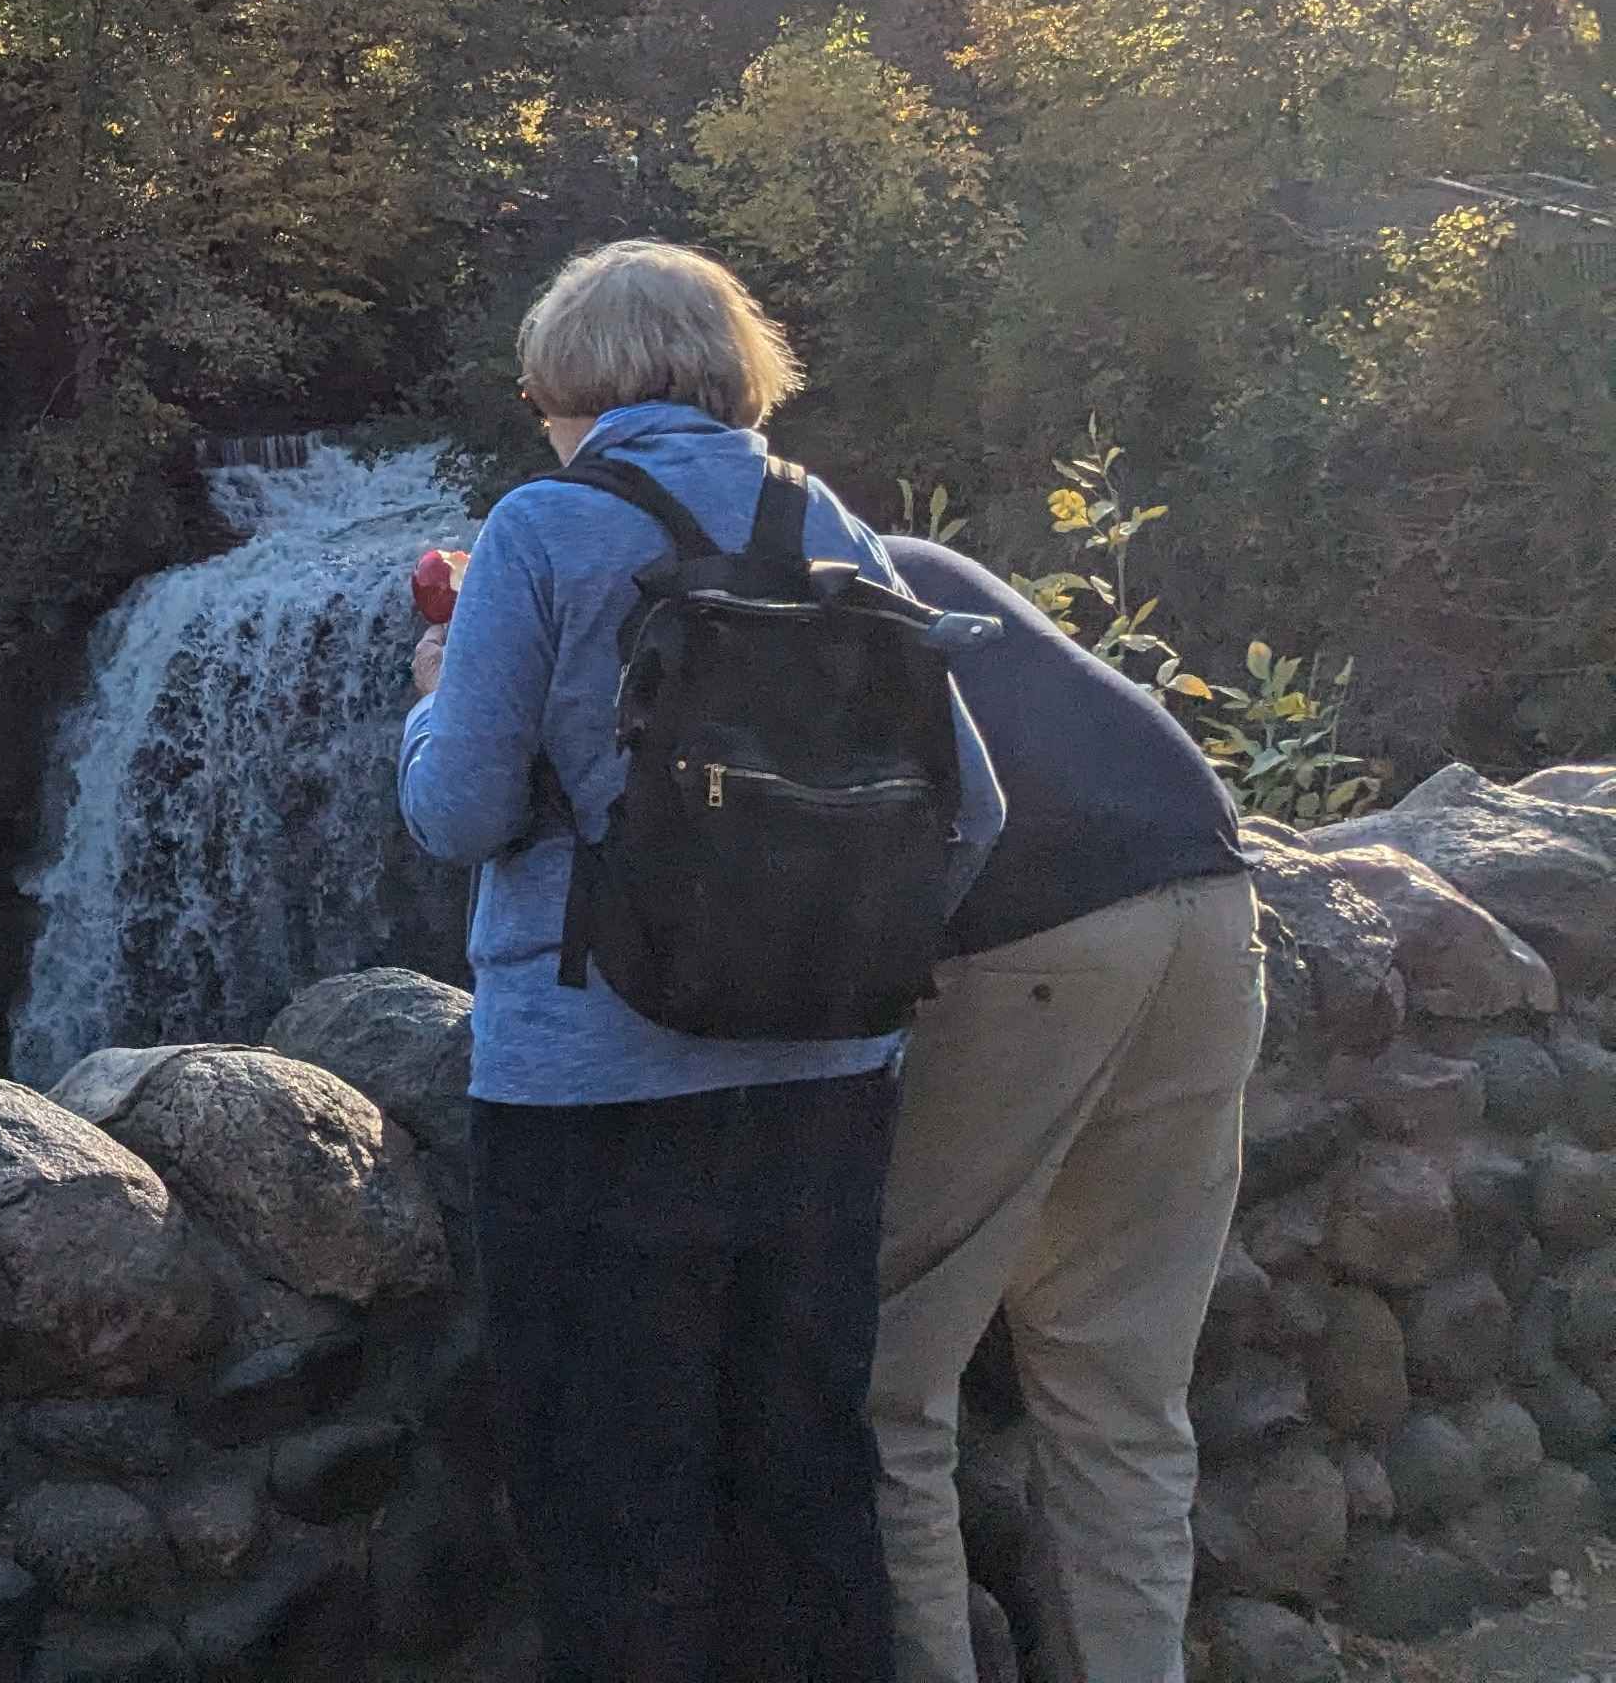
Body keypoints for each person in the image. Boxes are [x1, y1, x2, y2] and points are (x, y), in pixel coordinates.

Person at [400, 240, 1006, 1683]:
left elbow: (458, 811)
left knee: (615, 1500)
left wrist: (428, 699)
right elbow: (970, 813)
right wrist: (825, 958)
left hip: (593, 1095)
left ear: (571, 389)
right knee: (804, 1484)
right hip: (826, 1086)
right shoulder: (830, 522)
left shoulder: (544, 526)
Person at [862, 536, 1259, 1683]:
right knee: (1119, 1398)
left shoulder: (749, 595)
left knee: (883, 1385)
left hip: (1039, 939)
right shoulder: (902, 558)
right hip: (1212, 899)